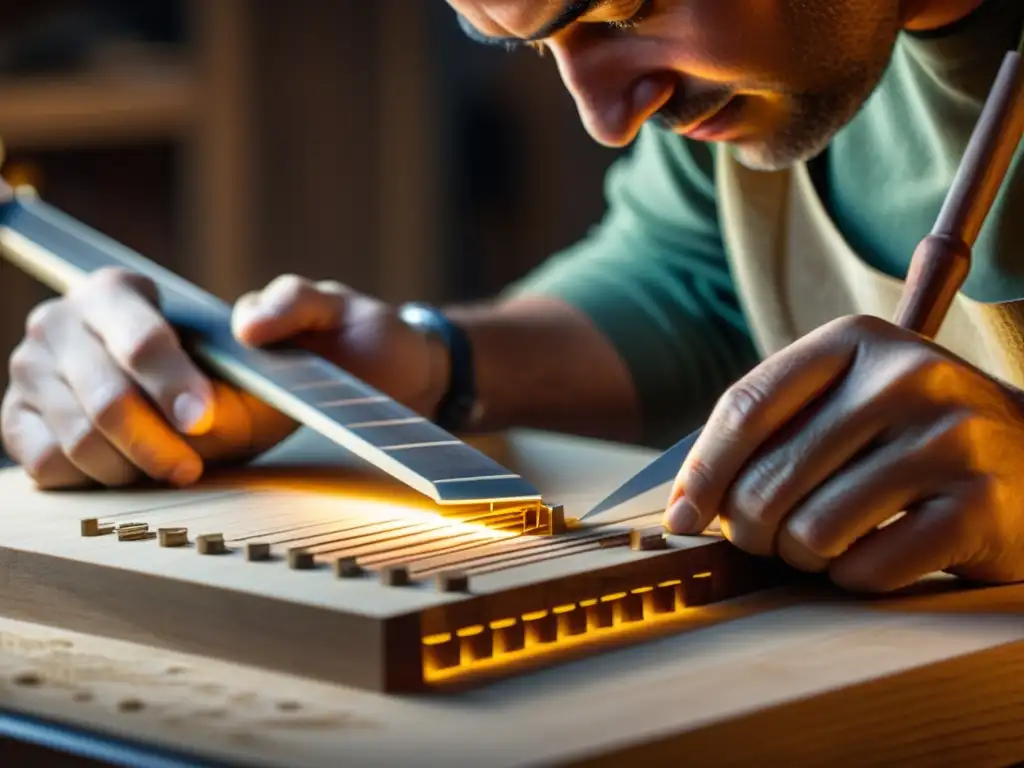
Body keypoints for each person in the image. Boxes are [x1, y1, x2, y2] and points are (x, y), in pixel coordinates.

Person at [2, 0, 1022, 594]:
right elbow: (691, 275)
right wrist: (416, 364)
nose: (607, 119)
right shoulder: (774, 66)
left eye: (625, 9)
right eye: (533, 43)